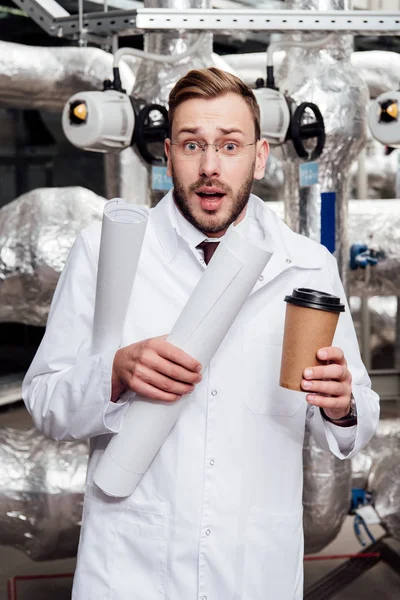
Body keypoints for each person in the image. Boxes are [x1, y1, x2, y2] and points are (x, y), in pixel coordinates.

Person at [23, 67, 379, 600]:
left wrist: (341, 404)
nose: (210, 167)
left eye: (230, 146)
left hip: (252, 566)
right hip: (132, 565)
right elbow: (45, 402)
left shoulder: (306, 265)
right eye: (193, 145)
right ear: (168, 154)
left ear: (260, 157)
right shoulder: (107, 253)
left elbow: (357, 416)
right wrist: (113, 375)